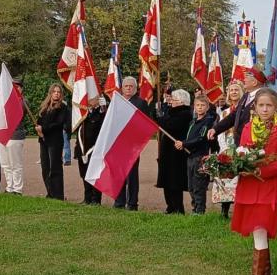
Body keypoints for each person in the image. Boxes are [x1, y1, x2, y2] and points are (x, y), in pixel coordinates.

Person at [231, 87, 277, 275]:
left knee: (260, 228)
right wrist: (238, 165)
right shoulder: (248, 128)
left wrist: (259, 170)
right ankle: (265, 273)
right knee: (259, 231)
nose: (265, 109)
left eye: (269, 105)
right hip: (249, 186)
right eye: (261, 105)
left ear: (276, 107)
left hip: (269, 187)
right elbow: (242, 152)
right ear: (254, 107)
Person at [209, 66, 267, 146]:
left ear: (254, 82)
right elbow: (234, 115)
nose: (244, 80)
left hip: (254, 145)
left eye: (246, 77)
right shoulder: (246, 96)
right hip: (240, 144)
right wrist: (216, 129)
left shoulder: (264, 97)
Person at [156, 89, 192, 214]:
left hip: (176, 153)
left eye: (174, 100)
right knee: (166, 180)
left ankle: (177, 207)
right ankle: (170, 206)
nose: (171, 102)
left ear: (182, 102)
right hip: (167, 152)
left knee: (174, 182)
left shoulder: (185, 114)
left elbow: (170, 126)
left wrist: (160, 117)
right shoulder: (171, 112)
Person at [114, 77, 148, 210]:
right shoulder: (116, 101)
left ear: (135, 88)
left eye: (131, 86)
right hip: (118, 143)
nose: (128, 88)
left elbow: (145, 124)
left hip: (132, 144)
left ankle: (132, 203)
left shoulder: (141, 103)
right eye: (126, 86)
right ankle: (119, 202)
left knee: (132, 175)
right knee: (118, 174)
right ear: (122, 88)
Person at [179, 94, 215, 215]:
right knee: (191, 186)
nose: (200, 107)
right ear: (194, 106)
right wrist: (183, 144)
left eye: (202, 105)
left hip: (200, 157)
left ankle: (200, 210)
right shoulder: (193, 122)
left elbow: (201, 138)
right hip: (190, 157)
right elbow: (189, 137)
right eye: (197, 105)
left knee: (199, 185)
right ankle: (195, 207)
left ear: (207, 107)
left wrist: (184, 144)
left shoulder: (208, 122)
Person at [213, 81, 244, 218]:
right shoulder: (225, 112)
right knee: (225, 178)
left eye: (236, 90)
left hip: (240, 146)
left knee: (240, 178)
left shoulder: (246, 110)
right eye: (231, 90)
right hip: (226, 147)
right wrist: (224, 148)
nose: (234, 92)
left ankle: (240, 209)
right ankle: (224, 209)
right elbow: (220, 131)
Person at [36, 84, 69, 200]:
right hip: (44, 140)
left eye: (58, 92)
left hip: (55, 141)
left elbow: (59, 123)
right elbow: (39, 120)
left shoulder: (63, 107)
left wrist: (43, 129)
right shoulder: (44, 107)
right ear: (50, 93)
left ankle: (58, 195)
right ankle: (50, 192)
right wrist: (38, 129)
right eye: (54, 91)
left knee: (55, 168)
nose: (56, 93)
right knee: (45, 167)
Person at [75, 97, 106, 205]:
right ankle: (87, 198)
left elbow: (104, 123)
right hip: (82, 148)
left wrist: (103, 109)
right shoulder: (82, 113)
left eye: (94, 97)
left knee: (95, 175)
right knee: (84, 174)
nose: (91, 100)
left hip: (94, 149)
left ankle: (96, 199)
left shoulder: (101, 112)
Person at [1, 79, 27, 194]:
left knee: (15, 164)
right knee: (5, 164)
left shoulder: (23, 101)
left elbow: (18, 113)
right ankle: (9, 186)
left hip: (15, 135)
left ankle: (17, 188)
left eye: (17, 87)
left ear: (21, 89)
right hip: (4, 135)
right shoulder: (5, 101)